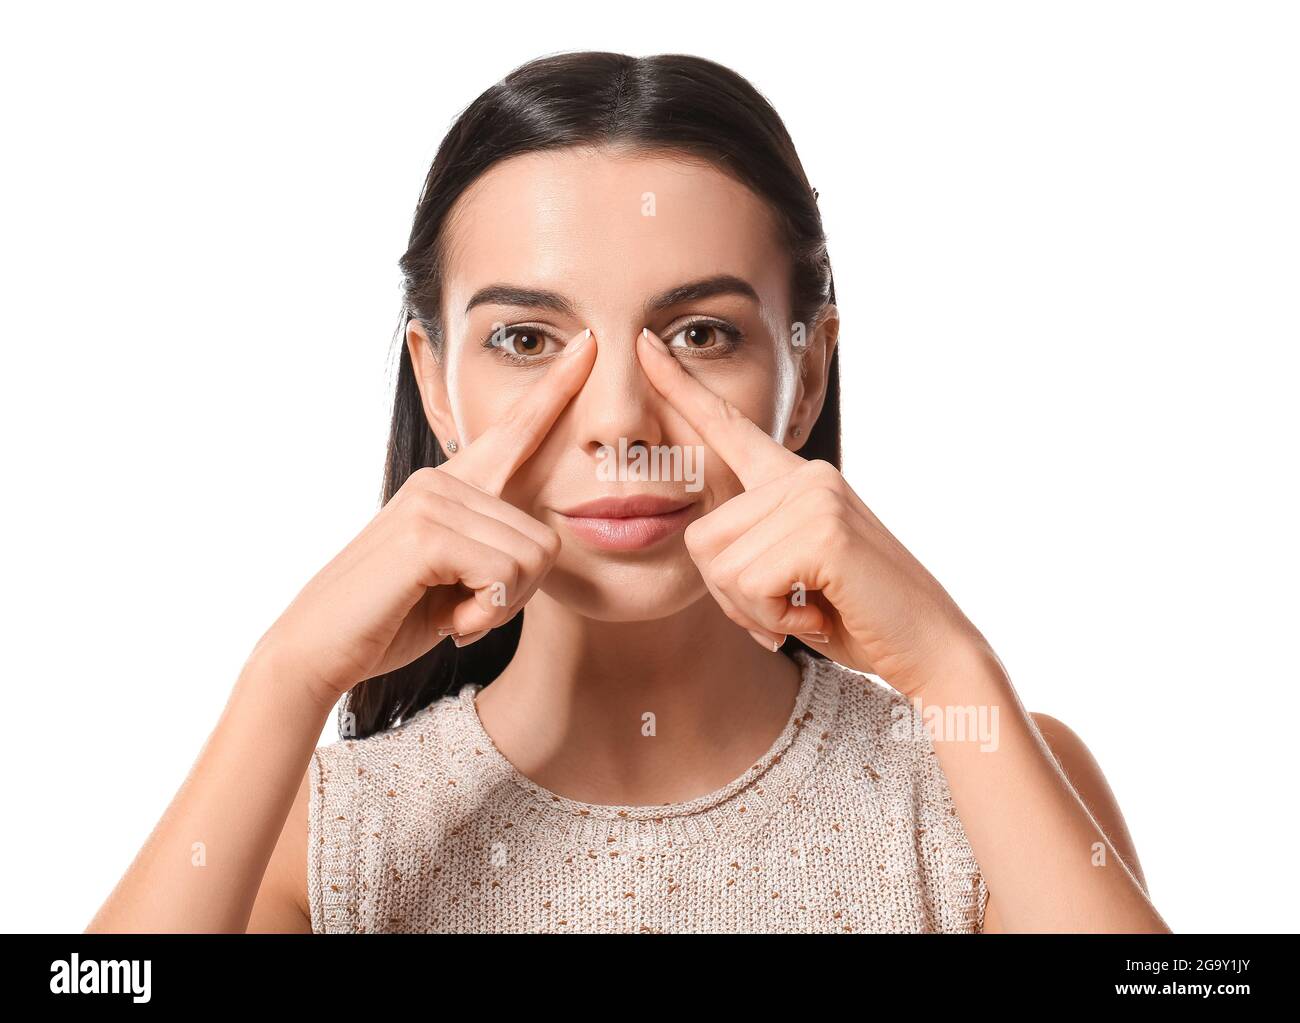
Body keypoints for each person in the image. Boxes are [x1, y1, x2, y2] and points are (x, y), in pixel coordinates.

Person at [86, 51, 1168, 934]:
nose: (617, 420)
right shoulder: (318, 837)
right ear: (436, 383)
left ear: (807, 375)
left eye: (699, 334)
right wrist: (284, 679)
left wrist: (949, 665)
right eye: (525, 338)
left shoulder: (984, 785)